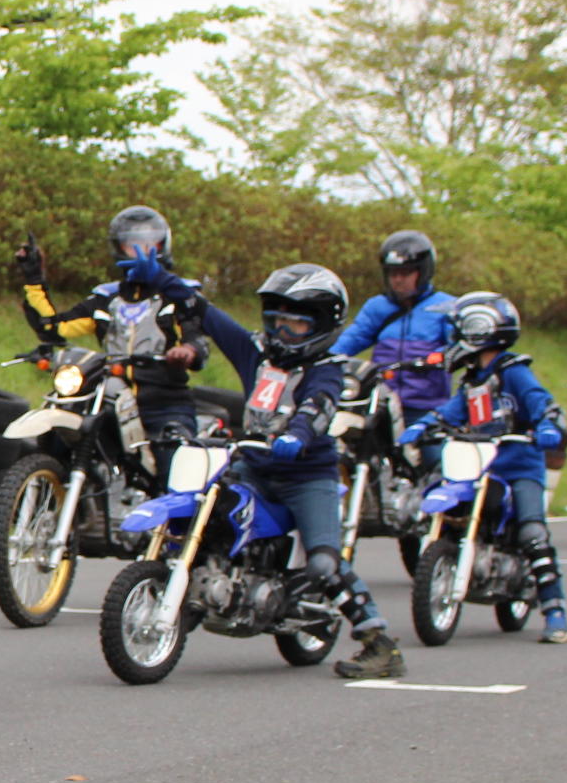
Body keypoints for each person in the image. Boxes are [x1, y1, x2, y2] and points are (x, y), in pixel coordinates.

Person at [140, 262, 407, 679]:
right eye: (277, 321)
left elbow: (316, 408)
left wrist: (298, 436)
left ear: (322, 325)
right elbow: (206, 312)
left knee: (323, 563)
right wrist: (157, 276)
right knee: (206, 513)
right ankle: (195, 597)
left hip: (307, 477)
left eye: (295, 325)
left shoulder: (327, 369)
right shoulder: (255, 353)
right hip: (253, 468)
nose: (283, 332)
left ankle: (379, 644)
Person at [400, 292, 567, 643]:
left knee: (532, 534)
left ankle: (555, 610)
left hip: (518, 465)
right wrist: (426, 424)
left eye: (459, 330)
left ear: (479, 331)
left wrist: (545, 424)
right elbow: (454, 408)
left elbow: (540, 401)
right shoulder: (473, 380)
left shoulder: (515, 372)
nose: (453, 339)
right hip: (479, 465)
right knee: (442, 503)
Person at [18, 207, 210, 477]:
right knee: (59, 439)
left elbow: (198, 339)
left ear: (162, 245)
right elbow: (52, 326)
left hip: (164, 403)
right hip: (109, 401)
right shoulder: (106, 299)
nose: (141, 251)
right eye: (132, 244)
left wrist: (187, 351)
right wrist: (34, 279)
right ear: (118, 248)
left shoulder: (180, 296)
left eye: (148, 244)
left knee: (175, 467)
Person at [329, 229, 457, 435]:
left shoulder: (446, 308)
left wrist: (438, 358)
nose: (398, 280)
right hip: (379, 401)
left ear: (423, 272)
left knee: (434, 458)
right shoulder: (377, 307)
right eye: (393, 273)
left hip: (425, 406)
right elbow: (350, 340)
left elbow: (458, 348)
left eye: (406, 273)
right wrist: (322, 360)